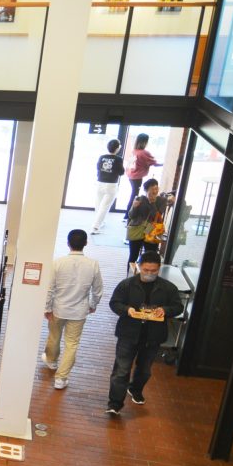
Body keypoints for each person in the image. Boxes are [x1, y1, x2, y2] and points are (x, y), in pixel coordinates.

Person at [105, 251, 183, 416]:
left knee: (145, 369)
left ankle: (135, 389)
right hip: (128, 333)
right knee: (121, 370)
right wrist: (127, 310)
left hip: (153, 336)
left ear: (159, 269)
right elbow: (114, 303)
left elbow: (178, 307)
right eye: (146, 270)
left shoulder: (168, 288)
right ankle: (115, 404)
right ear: (139, 267)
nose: (149, 273)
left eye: (153, 271)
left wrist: (165, 310)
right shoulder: (127, 285)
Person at [41, 229, 103, 390]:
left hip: (58, 308)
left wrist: (47, 307)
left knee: (54, 336)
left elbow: (50, 288)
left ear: (68, 243)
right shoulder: (93, 264)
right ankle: (61, 378)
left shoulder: (58, 262)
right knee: (72, 344)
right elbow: (97, 289)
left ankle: (51, 361)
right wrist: (93, 304)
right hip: (79, 311)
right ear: (86, 243)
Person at [125, 179, 162, 274]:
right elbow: (131, 215)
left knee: (150, 256)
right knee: (133, 255)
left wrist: (152, 202)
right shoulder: (140, 199)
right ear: (146, 190)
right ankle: (129, 276)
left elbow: (156, 215)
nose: (155, 191)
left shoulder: (159, 201)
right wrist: (134, 207)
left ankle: (146, 275)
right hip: (137, 229)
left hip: (150, 230)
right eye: (152, 189)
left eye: (156, 188)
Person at [90, 139, 125, 234]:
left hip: (100, 183)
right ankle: (95, 227)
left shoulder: (102, 157)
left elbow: (98, 168)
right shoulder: (118, 159)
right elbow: (121, 172)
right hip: (111, 185)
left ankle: (99, 223)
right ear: (117, 148)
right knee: (104, 207)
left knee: (98, 205)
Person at [124, 133, 159, 220]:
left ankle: (128, 214)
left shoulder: (134, 151)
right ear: (145, 142)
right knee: (134, 195)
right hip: (137, 177)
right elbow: (154, 163)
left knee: (134, 194)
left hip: (131, 175)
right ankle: (128, 215)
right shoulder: (144, 153)